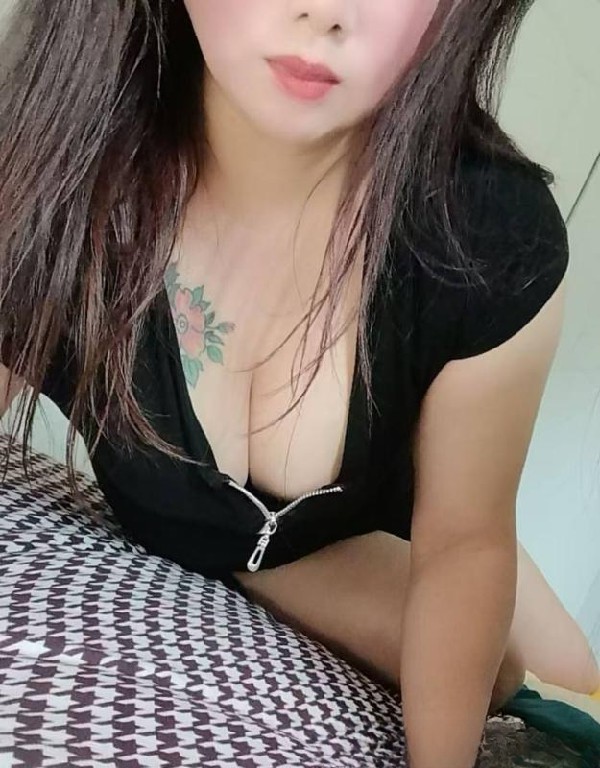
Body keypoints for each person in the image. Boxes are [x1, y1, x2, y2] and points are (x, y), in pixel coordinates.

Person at [0, 1, 598, 766]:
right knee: (509, 672)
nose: (326, 13)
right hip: (328, 560)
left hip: (424, 520)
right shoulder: (55, 168)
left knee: (561, 679)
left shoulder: (493, 234)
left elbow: (463, 543)